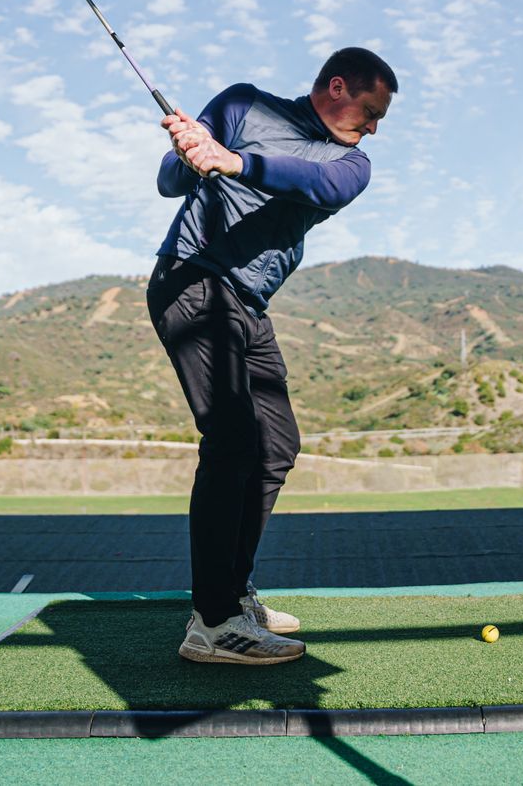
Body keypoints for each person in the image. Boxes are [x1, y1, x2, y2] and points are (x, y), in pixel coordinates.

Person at [147, 46, 397, 665]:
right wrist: (191, 149)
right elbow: (169, 183)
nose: (372, 128)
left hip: (246, 302)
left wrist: (230, 159)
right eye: (370, 111)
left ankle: (232, 593)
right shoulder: (241, 103)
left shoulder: (350, 163)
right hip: (194, 280)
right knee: (232, 441)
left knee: (276, 443)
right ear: (337, 86)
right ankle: (212, 622)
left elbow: (309, 181)